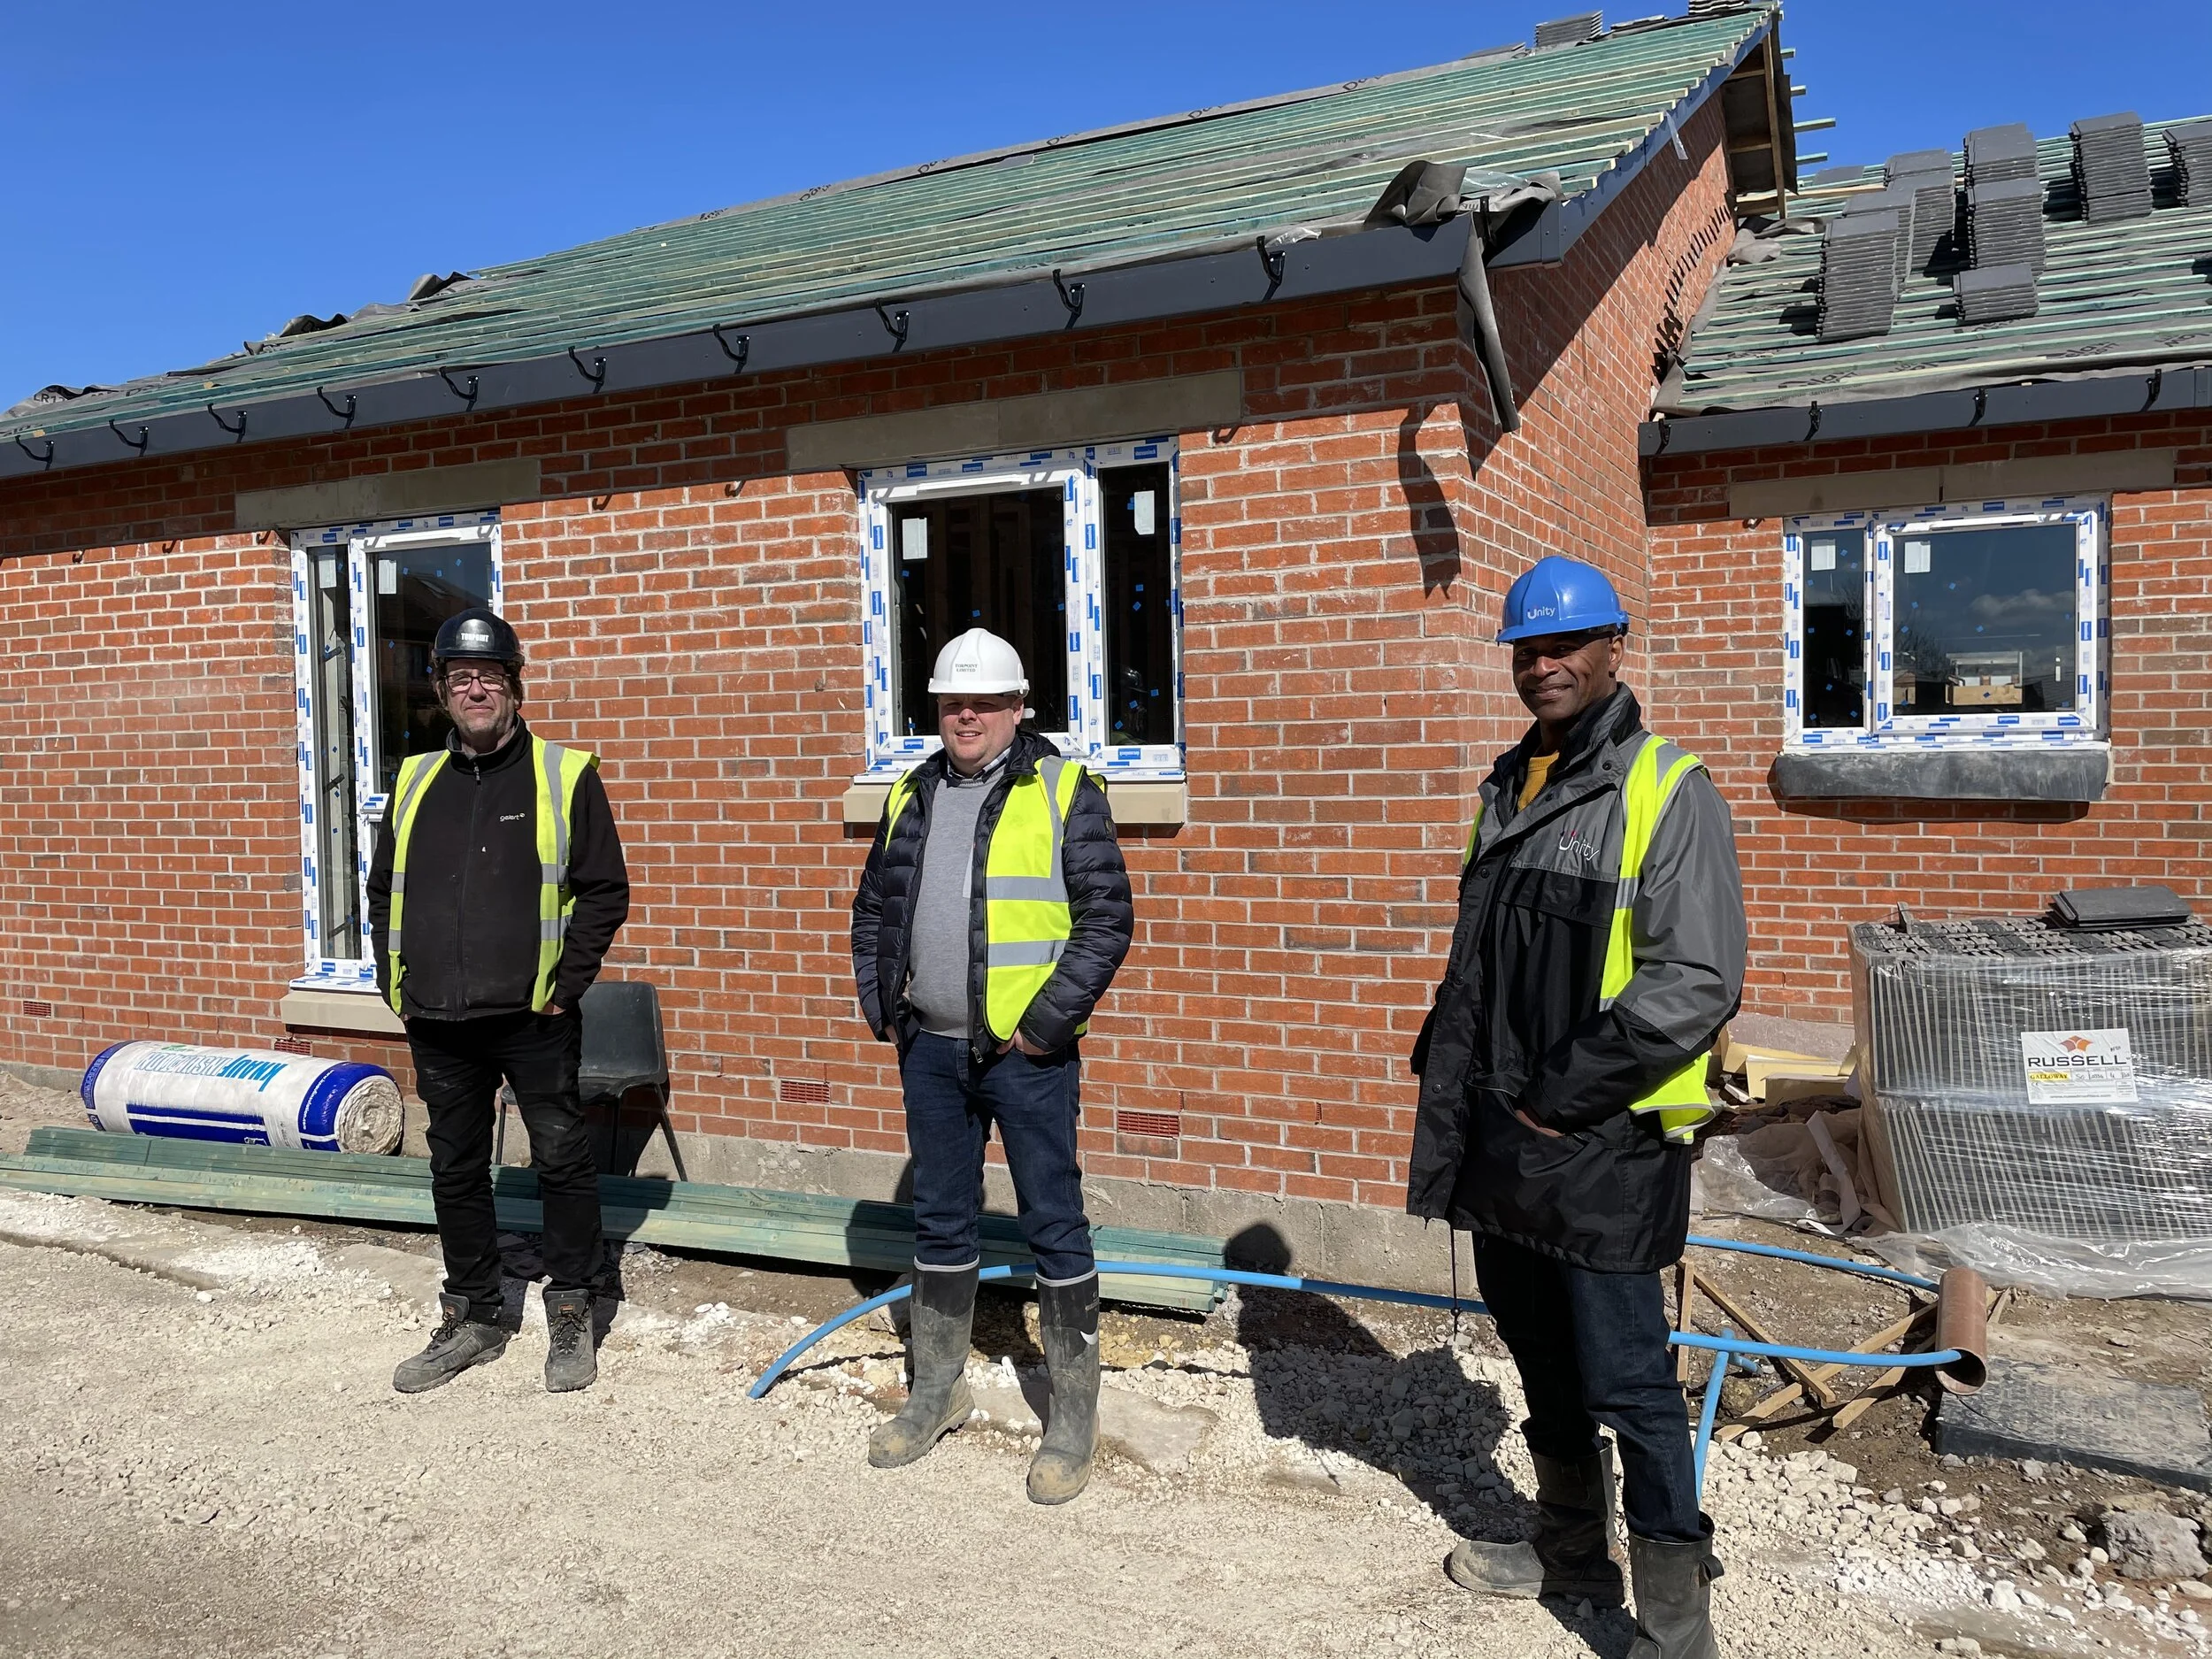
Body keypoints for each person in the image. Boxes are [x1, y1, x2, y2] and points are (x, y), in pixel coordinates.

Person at [1407, 556, 1746, 1659]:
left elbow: (1692, 981)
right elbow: (1482, 969)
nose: (1542, 664)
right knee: (1539, 1361)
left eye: (1565, 645)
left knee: (1630, 1385)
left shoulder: (1663, 788)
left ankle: (1675, 1628)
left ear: (1614, 647)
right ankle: (1568, 1553)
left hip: (1598, 1142)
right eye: (1527, 649)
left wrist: (1560, 1097)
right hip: (1506, 1136)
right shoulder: (1509, 785)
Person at [850, 627, 1133, 1503]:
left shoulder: (1061, 791)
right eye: (949, 702)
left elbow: (1105, 919)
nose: (964, 715)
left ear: (1018, 707)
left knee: (1053, 1220)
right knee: (940, 1219)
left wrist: (1045, 1026)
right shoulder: (913, 791)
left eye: (982, 701)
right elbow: (873, 907)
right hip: (928, 1049)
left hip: (1026, 1057)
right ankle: (937, 1391)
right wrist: (881, 1000)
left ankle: (1072, 1421)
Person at [366, 608, 631, 1396]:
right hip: (440, 1021)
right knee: (454, 1167)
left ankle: (574, 1313)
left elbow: (605, 891)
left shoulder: (564, 773)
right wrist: (394, 982)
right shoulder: (415, 780)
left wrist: (563, 985)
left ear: (514, 687)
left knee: (561, 1161)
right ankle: (475, 1314)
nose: (474, 689)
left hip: (532, 1017)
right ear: (442, 693)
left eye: (488, 677)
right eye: (458, 678)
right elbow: (383, 891)